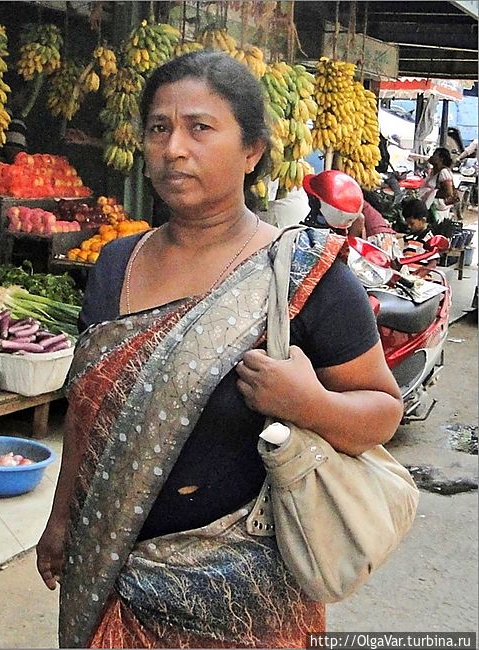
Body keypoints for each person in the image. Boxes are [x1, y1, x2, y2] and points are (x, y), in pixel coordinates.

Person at [36, 50, 403, 649]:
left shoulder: (303, 275)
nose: (174, 147)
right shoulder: (114, 265)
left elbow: (382, 413)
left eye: (200, 128)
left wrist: (306, 402)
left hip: (246, 593)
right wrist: (59, 521)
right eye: (159, 128)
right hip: (111, 572)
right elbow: (88, 411)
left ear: (252, 150)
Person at [419, 147, 456, 220]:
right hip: (431, 209)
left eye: (434, 155)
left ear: (441, 159)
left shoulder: (443, 172)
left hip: (438, 212)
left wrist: (432, 194)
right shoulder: (433, 172)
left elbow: (448, 193)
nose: (431, 157)